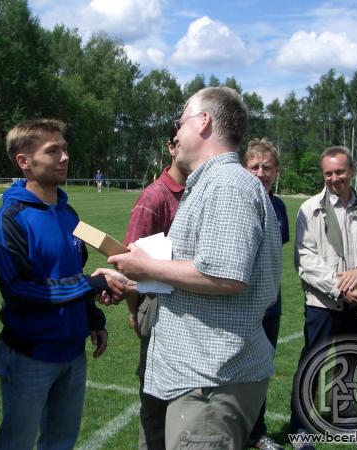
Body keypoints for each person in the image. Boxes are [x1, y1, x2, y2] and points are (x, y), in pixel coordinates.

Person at [108, 87, 283, 450]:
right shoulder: (215, 182)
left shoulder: (227, 184)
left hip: (212, 381)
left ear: (203, 122)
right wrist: (135, 277)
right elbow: (205, 270)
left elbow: (225, 276)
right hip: (203, 377)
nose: (176, 132)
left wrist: (148, 267)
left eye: (181, 121)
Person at [0, 119, 126, 450]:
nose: (64, 157)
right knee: (17, 444)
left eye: (64, 149)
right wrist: (91, 283)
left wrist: (93, 319)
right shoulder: (10, 218)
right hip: (29, 355)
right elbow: (19, 291)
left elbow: (73, 270)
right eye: (53, 151)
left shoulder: (69, 214)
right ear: (24, 161)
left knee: (62, 442)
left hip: (73, 353)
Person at [289, 146, 357, 445]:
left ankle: (346, 420)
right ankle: (301, 427)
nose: (335, 178)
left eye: (340, 172)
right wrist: (339, 288)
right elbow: (305, 258)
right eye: (328, 173)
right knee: (312, 363)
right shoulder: (310, 209)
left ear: (351, 171)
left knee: (351, 361)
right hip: (323, 302)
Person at [123, 126, 188, 450]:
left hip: (189, 311)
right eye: (180, 142)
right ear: (171, 147)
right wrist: (135, 311)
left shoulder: (198, 191)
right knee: (155, 404)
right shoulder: (155, 196)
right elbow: (129, 261)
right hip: (159, 308)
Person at [243, 138, 289, 450]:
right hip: (240, 304)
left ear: (276, 171)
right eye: (254, 167)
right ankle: (232, 429)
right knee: (234, 371)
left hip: (271, 304)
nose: (261, 173)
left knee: (261, 372)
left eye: (267, 167)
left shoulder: (280, 207)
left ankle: (257, 432)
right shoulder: (237, 201)